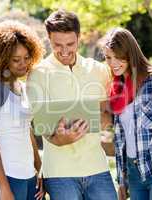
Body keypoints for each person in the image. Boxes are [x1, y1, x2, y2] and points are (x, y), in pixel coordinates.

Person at [26, 10, 117, 200]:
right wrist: (61, 139)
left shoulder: (99, 70)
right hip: (60, 172)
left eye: (70, 44)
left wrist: (100, 121)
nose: (65, 51)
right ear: (48, 39)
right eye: (57, 45)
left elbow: (108, 114)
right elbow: (42, 126)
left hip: (97, 167)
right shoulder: (38, 74)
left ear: (79, 37)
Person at [103, 27, 152, 200]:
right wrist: (122, 182)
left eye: (118, 57)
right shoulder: (116, 90)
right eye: (109, 57)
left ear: (130, 54)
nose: (113, 63)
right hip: (134, 175)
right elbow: (121, 140)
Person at [0, 20, 45, 200]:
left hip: (28, 175)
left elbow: (27, 131)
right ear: (1, 58)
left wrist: (39, 169)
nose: (22, 64)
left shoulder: (23, 87)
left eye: (26, 58)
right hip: (5, 177)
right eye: (16, 60)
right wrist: (4, 187)